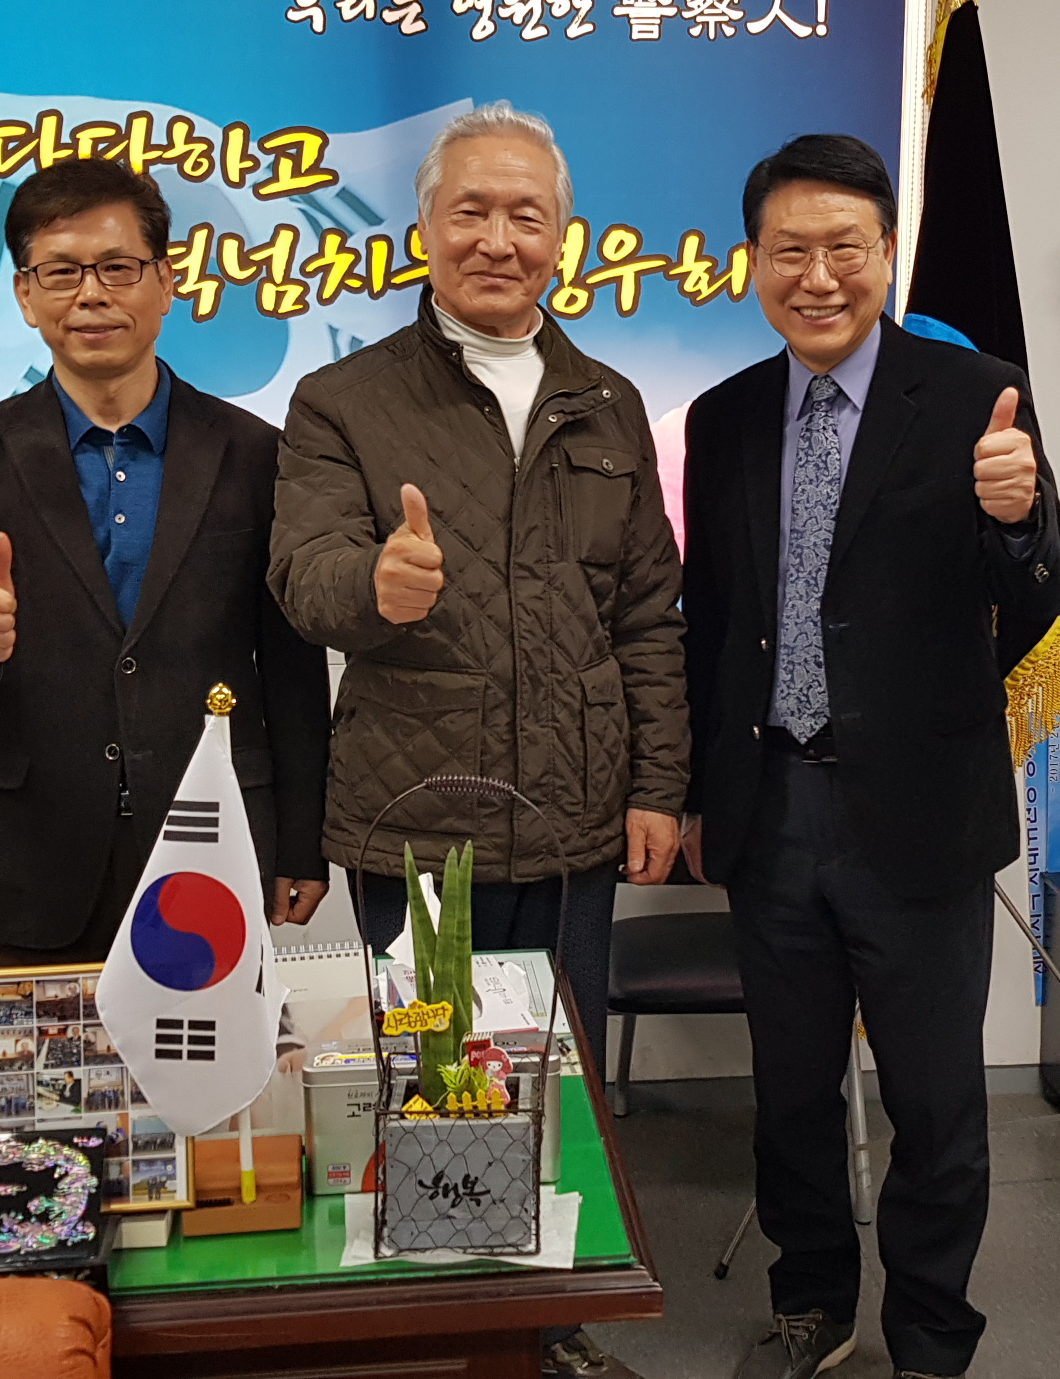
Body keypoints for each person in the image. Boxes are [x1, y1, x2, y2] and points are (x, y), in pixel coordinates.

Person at [268, 102, 682, 1379]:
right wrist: (375, 587)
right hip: (417, 824)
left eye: (525, 216)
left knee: (558, 1086)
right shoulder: (342, 400)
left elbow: (647, 615)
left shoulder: (606, 402)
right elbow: (305, 573)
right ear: (425, 229)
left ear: (561, 237)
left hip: (572, 821)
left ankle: (545, 1332)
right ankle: (446, 1324)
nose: (497, 240)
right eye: (471, 212)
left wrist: (659, 783)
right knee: (433, 1081)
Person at [681, 135, 1060, 1379]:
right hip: (772, 808)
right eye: (789, 249)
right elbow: (711, 620)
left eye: (843, 248)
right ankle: (813, 1303)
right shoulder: (722, 417)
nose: (817, 276)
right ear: (753, 261)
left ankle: (929, 1337)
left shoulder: (974, 397)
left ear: (887, 253)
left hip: (917, 814)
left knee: (934, 1101)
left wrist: (1019, 519)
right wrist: (695, 793)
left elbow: (1044, 588)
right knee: (791, 1093)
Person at [0, 158, 331, 966]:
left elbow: (291, 668)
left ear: (166, 282)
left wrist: (301, 840)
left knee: (209, 1054)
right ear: (26, 295)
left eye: (118, 268)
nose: (92, 294)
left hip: (213, 848)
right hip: (28, 857)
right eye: (61, 272)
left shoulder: (255, 454)